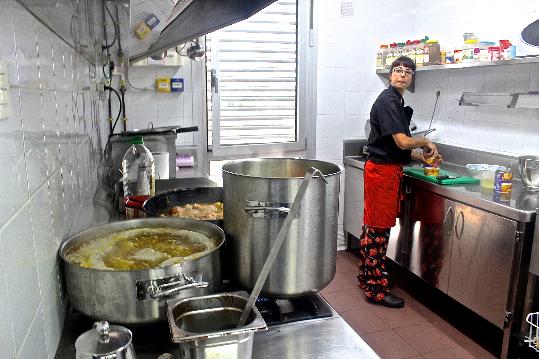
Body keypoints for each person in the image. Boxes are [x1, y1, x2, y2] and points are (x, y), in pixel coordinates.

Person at [357, 56, 439, 308]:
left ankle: (368, 277)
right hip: (382, 173)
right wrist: (425, 142)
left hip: (386, 171)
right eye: (398, 70)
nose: (402, 75)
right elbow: (403, 141)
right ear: (391, 75)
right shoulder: (388, 100)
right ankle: (375, 290)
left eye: (408, 72)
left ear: (412, 77)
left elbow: (399, 147)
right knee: (378, 232)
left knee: (374, 228)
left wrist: (420, 156)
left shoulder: (397, 100)